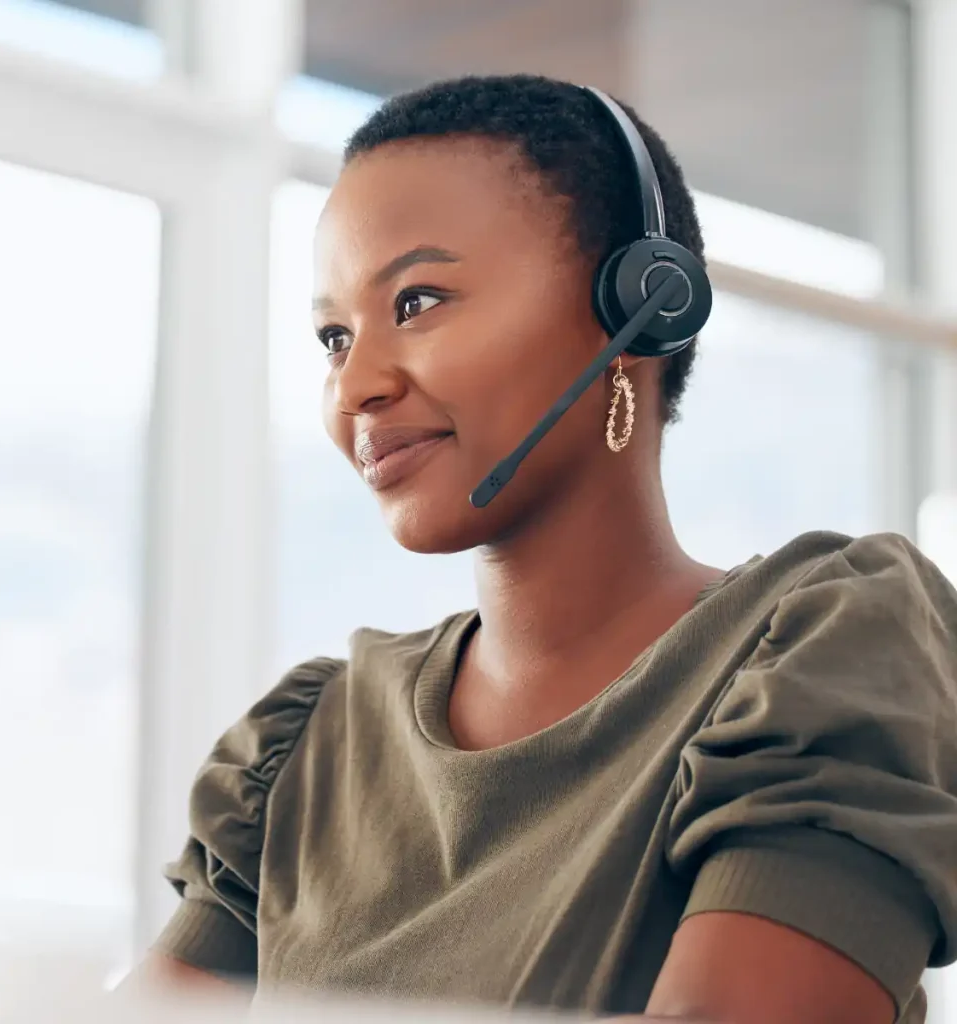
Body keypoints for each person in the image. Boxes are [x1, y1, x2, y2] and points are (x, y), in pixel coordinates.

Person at [137, 74, 957, 1023]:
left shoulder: (830, 655)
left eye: (416, 302)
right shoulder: (304, 750)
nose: (355, 384)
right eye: (333, 336)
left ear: (639, 305)